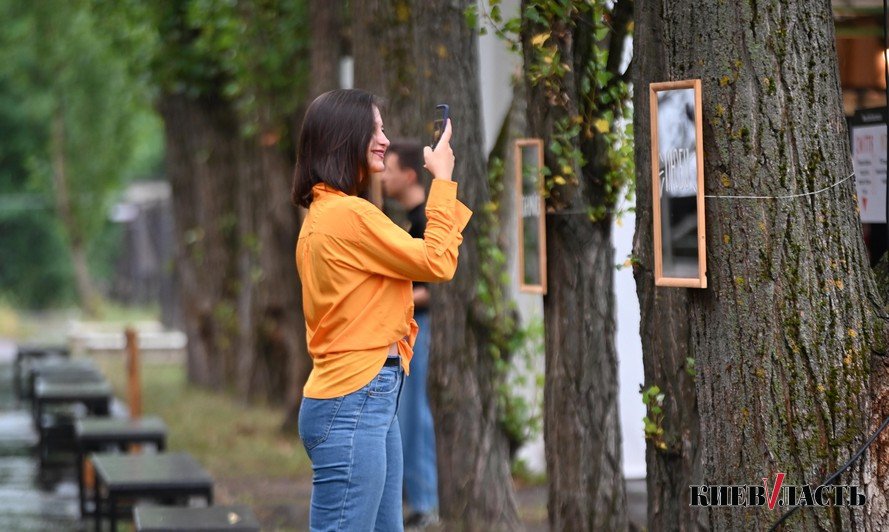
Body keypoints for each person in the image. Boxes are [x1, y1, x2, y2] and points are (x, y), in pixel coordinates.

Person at [291, 89, 472, 532]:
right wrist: (443, 181)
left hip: (364, 396)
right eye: (374, 128)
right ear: (343, 137)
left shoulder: (325, 215)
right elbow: (436, 261)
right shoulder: (349, 215)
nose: (384, 139)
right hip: (354, 399)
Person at [378, 141, 441, 528]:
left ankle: (425, 502)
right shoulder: (402, 219)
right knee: (403, 414)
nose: (383, 175)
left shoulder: (424, 220)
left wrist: (390, 292)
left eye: (390, 168)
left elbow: (433, 284)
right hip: (404, 329)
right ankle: (412, 498)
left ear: (410, 175)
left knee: (414, 414)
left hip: (420, 327)